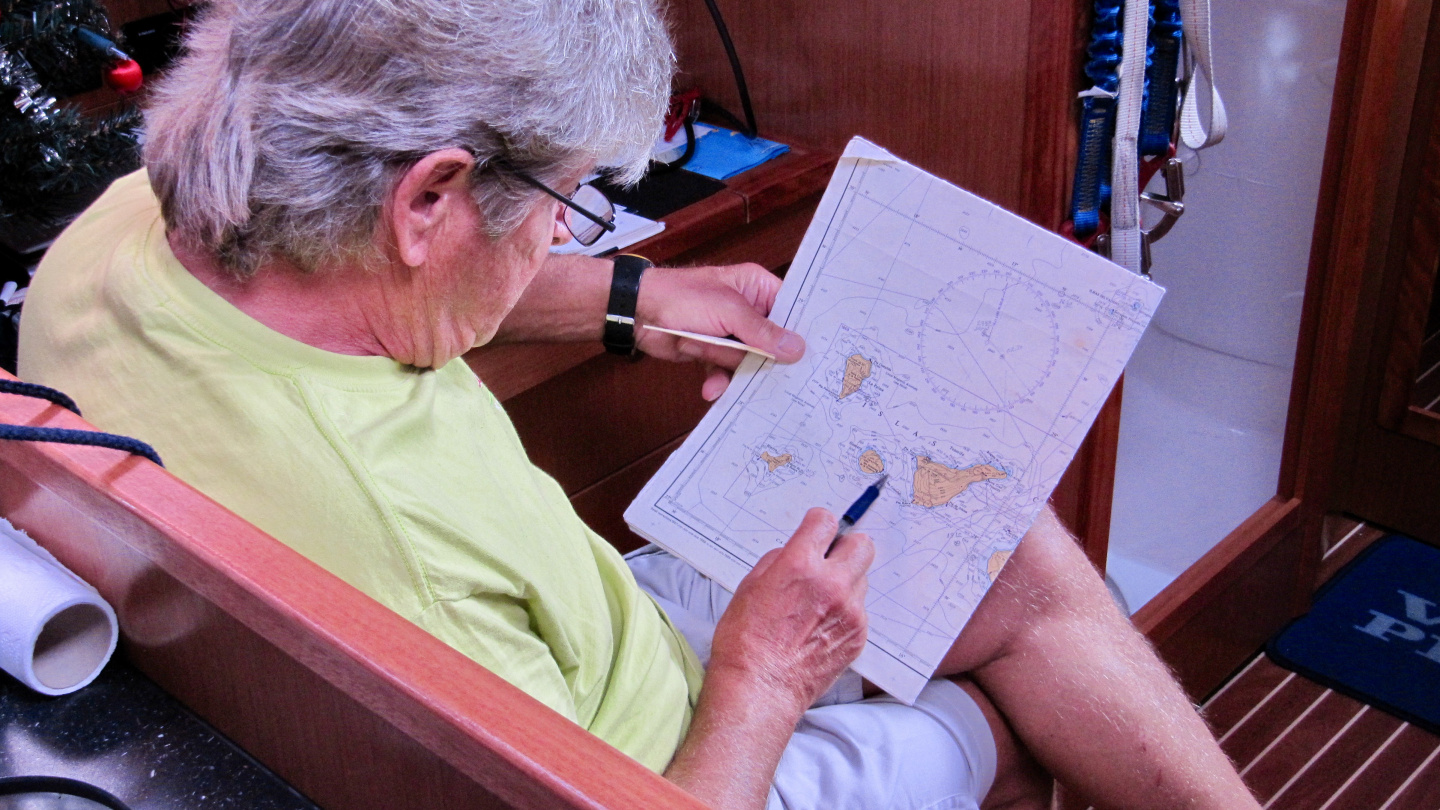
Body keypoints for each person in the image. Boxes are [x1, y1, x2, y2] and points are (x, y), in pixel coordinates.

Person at [17, 0, 1260, 807]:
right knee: (1000, 699)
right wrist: (769, 676)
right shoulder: (400, 549)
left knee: (1001, 551)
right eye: (564, 197)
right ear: (428, 203)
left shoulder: (129, 230)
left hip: (595, 648)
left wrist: (630, 294)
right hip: (672, 767)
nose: (566, 226)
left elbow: (372, 280)